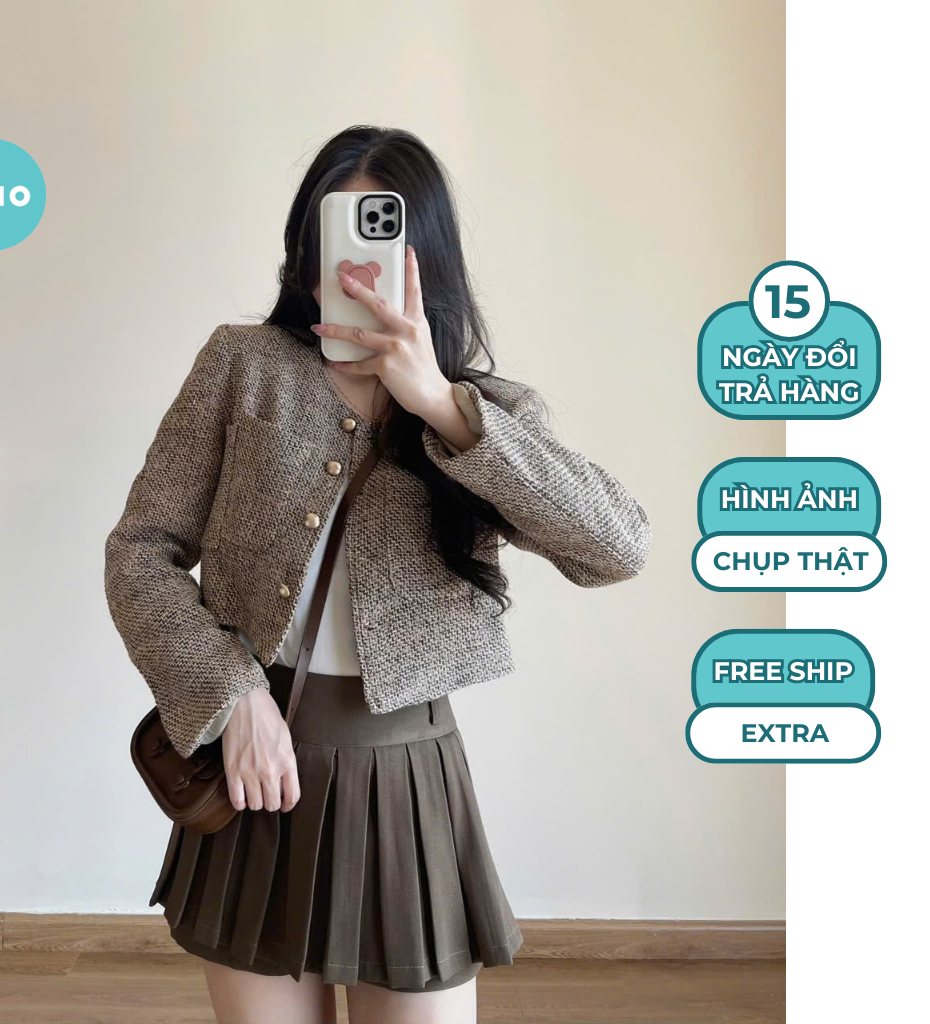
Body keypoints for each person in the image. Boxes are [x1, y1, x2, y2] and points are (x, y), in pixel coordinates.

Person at [104, 125, 652, 1024]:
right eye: (337, 237)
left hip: (408, 784)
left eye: (382, 237)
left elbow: (617, 547)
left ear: (424, 256)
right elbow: (140, 550)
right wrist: (230, 693)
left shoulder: (486, 413)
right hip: (256, 766)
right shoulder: (242, 365)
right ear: (305, 249)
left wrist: (439, 402)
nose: (358, 267)